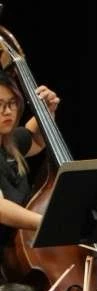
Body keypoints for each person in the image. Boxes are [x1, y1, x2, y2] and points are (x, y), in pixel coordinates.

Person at [0, 77, 58, 241]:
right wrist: (49, 223)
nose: (8, 111)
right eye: (0, 104)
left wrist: (46, 109)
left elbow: (36, 140)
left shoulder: (9, 141)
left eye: (12, 103)